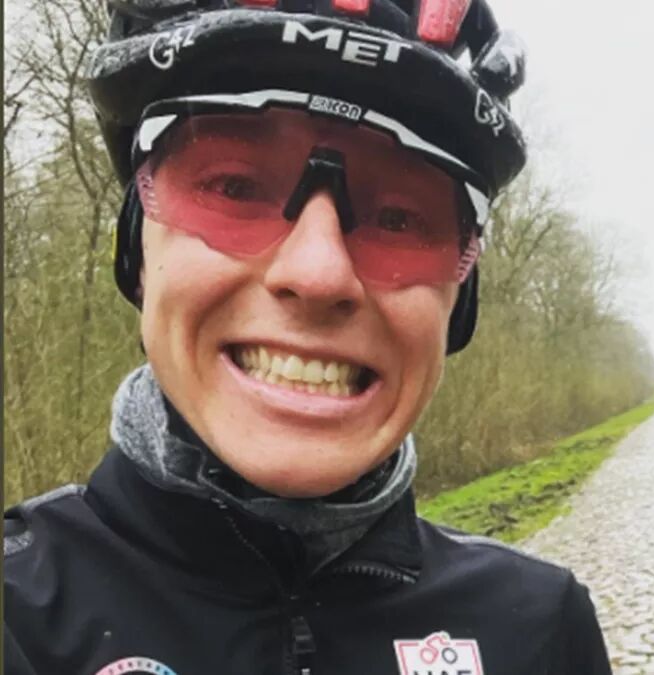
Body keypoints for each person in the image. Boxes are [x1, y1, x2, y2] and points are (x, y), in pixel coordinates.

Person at [3, 1, 612, 673]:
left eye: (401, 220)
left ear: (458, 305)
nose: (319, 274)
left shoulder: (542, 629)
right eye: (234, 186)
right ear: (134, 251)